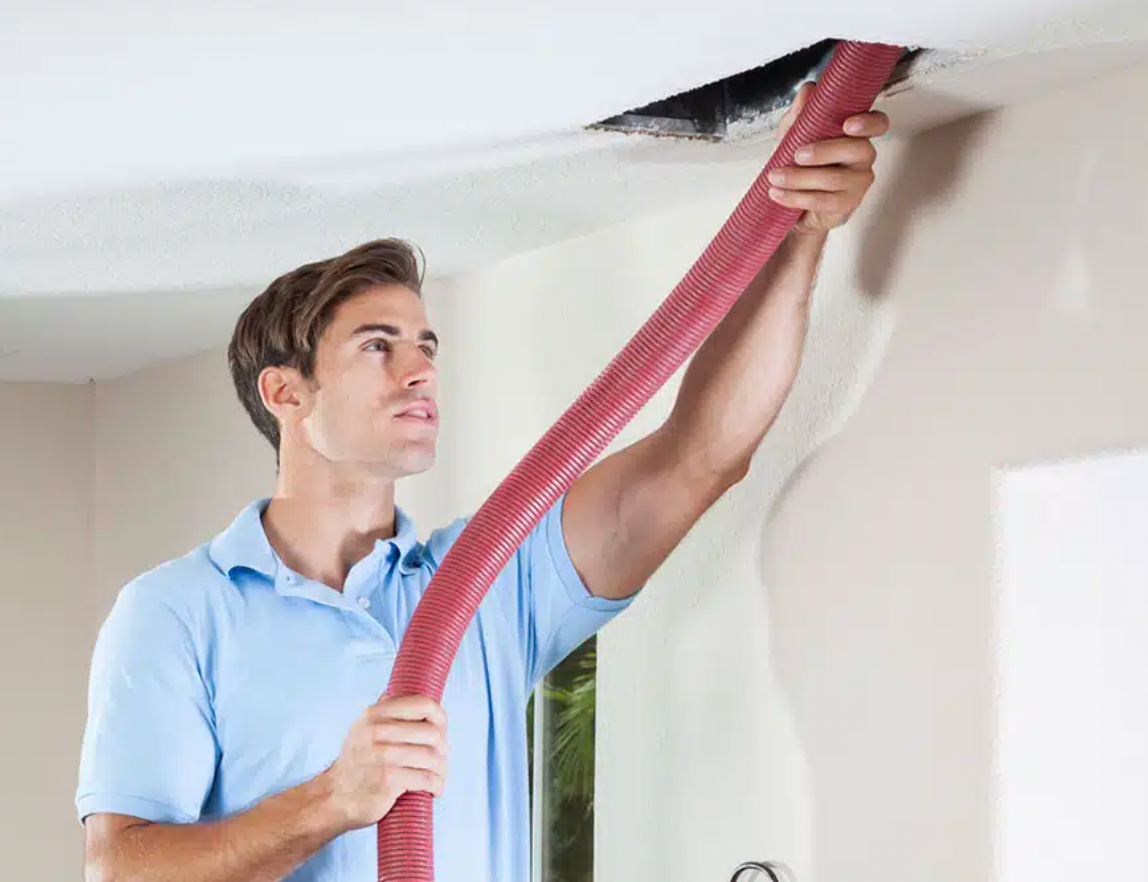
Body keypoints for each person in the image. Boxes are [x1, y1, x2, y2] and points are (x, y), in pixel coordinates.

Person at [77, 84, 889, 882]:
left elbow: (699, 455)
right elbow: (121, 870)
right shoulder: (179, 610)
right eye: (377, 345)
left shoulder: (489, 580)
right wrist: (333, 799)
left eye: (426, 345)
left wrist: (800, 236)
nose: (421, 369)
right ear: (286, 393)